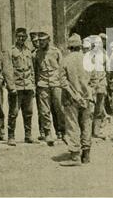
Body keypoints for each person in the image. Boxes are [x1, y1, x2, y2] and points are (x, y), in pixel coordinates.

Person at [59, 34, 96, 166]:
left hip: (71, 99)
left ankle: (75, 156)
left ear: (69, 47)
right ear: (80, 46)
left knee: (73, 125)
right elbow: (94, 80)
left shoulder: (65, 60)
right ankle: (86, 155)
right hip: (87, 98)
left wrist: (74, 95)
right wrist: (88, 94)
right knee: (86, 125)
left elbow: (63, 82)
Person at [4, 27, 38, 146]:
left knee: (28, 112)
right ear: (15, 37)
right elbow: (7, 70)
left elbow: (32, 70)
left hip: (27, 86)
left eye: (23, 36)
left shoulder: (28, 51)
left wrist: (32, 85)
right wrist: (11, 86)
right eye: (19, 36)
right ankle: (11, 136)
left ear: (26, 38)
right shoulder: (10, 51)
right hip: (16, 87)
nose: (21, 38)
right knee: (13, 112)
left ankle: (28, 135)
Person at [33, 31, 64, 146]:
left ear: (48, 40)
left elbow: (61, 68)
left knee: (59, 108)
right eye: (39, 41)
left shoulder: (56, 52)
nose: (41, 43)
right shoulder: (36, 54)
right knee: (44, 111)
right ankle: (47, 133)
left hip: (56, 84)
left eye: (43, 40)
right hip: (43, 85)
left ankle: (62, 131)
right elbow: (35, 71)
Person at [90, 35, 107, 140]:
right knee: (90, 109)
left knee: (99, 109)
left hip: (101, 84)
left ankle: (96, 131)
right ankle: (87, 131)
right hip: (91, 85)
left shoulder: (104, 54)